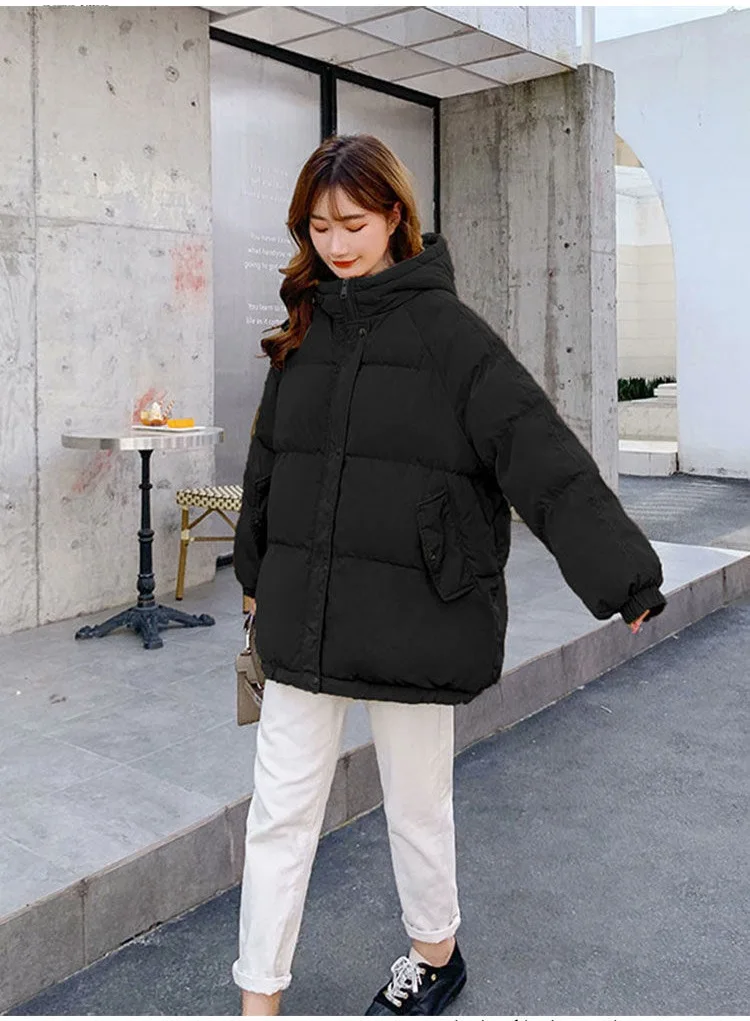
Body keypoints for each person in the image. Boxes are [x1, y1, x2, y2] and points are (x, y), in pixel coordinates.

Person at [232, 134, 666, 1017]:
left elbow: (536, 449)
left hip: (414, 611)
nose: (335, 243)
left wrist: (623, 572)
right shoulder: (303, 330)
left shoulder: (449, 334)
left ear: (396, 216)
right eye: (319, 227)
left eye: (354, 223)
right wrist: (252, 569)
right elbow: (270, 463)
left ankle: (435, 952)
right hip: (302, 612)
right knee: (277, 813)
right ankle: (258, 996)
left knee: (415, 805)